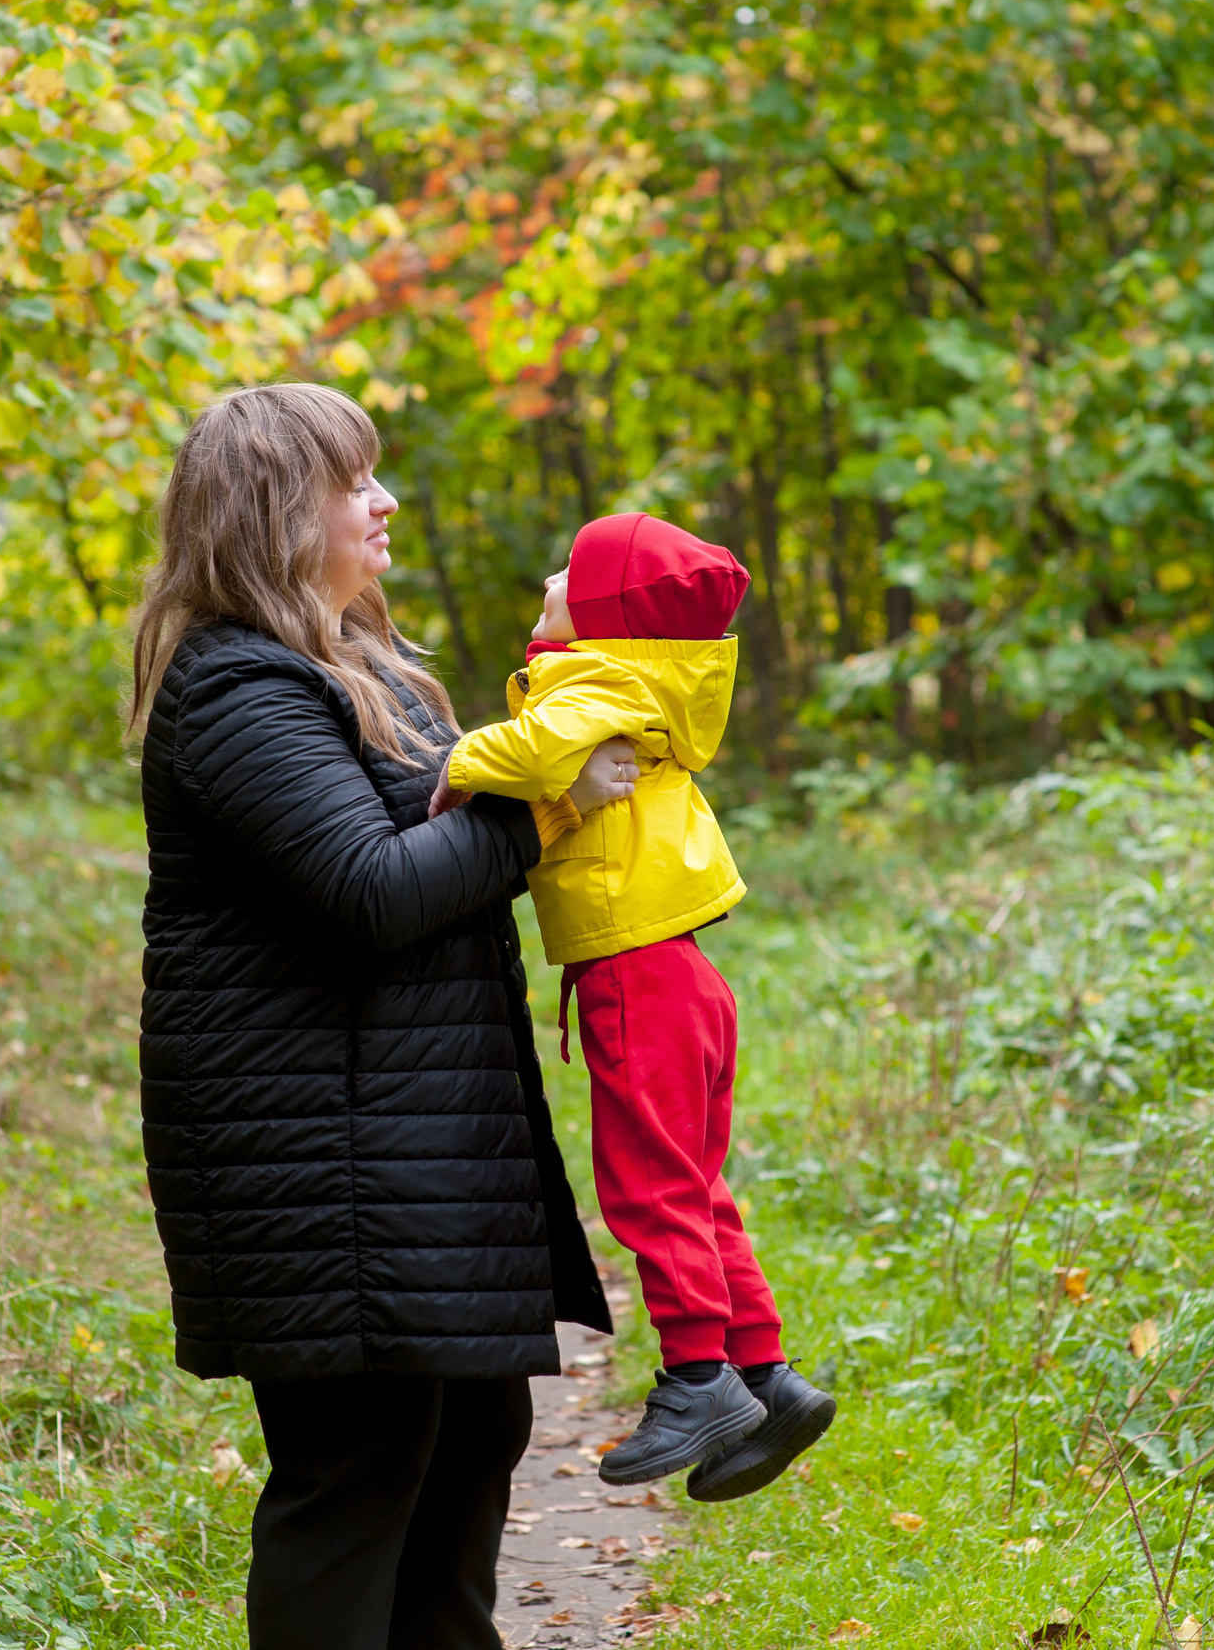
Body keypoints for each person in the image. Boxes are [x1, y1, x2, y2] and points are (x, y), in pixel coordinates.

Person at [128, 384, 634, 1649]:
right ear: (272, 512)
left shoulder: (360, 672)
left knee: (471, 1440)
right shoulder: (236, 687)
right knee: (357, 1472)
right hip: (322, 1168)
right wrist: (546, 808)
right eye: (355, 481)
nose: (385, 501)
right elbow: (370, 890)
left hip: (410, 1148)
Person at [427, 511, 838, 1503]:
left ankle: (699, 1376)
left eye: (570, 569)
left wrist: (449, 767)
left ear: (606, 612)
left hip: (634, 970)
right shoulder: (646, 682)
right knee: (693, 1184)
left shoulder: (594, 679)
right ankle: (764, 1372)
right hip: (683, 970)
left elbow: (529, 753)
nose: (549, 569)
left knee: (646, 1186)